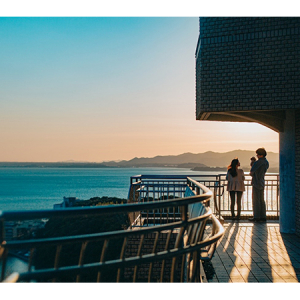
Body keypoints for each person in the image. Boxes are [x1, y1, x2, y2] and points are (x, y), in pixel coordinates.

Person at [249, 148, 269, 222]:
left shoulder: (257, 163)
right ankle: (263, 216)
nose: (257, 155)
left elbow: (251, 172)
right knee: (261, 200)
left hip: (256, 182)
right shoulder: (266, 162)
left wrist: (253, 163)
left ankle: (256, 217)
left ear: (261, 155)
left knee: (256, 200)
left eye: (257, 154)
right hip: (262, 182)